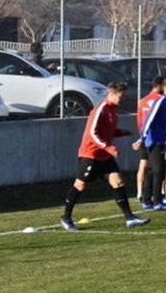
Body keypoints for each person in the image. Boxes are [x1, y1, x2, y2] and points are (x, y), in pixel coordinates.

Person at [60, 82, 149, 231]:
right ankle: (66, 218)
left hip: (104, 156)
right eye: (120, 96)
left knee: (118, 182)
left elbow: (107, 131)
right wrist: (108, 146)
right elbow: (92, 133)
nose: (122, 99)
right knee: (80, 185)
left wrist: (121, 133)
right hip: (91, 154)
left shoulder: (113, 111)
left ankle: (129, 218)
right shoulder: (101, 109)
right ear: (112, 94)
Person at [133, 77, 166, 211]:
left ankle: (147, 201)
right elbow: (148, 120)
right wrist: (141, 138)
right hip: (153, 141)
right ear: (165, 88)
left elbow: (164, 124)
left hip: (159, 140)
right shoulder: (160, 101)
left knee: (152, 171)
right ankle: (157, 202)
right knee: (158, 170)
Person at [134, 78, 164, 206]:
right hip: (155, 139)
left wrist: (141, 137)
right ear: (160, 86)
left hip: (144, 137)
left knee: (144, 166)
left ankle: (141, 194)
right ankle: (158, 197)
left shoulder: (142, 101)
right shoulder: (161, 100)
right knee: (158, 168)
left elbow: (140, 122)